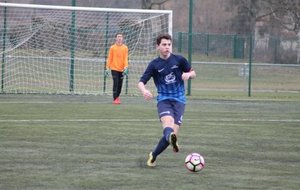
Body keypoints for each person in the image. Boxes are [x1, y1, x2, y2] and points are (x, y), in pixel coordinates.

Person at [138, 33, 196, 167]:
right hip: (164, 100)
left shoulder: (179, 60)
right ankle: (170, 139)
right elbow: (141, 82)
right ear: (158, 46)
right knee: (168, 124)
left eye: (169, 44)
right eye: (164, 45)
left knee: (171, 135)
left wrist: (188, 74)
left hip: (180, 101)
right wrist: (144, 91)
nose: (167, 47)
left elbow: (193, 73)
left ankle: (153, 155)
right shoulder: (154, 64)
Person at [106, 33, 129, 104]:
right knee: (115, 83)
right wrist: (107, 67)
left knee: (120, 84)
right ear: (115, 38)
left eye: (121, 37)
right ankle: (115, 98)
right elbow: (110, 58)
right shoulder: (112, 48)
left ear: (122, 39)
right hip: (114, 68)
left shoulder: (125, 48)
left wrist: (126, 67)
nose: (119, 38)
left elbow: (125, 58)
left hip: (122, 69)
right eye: (118, 37)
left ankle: (117, 97)